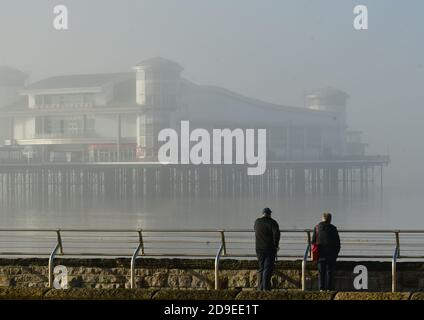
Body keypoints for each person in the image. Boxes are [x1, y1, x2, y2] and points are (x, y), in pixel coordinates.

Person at [311, 212, 341, 291]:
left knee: (321, 273)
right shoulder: (334, 228)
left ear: (322, 218)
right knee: (330, 272)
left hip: (320, 255)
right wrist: (335, 254)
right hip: (331, 255)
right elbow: (338, 243)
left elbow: (313, 241)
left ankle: (321, 289)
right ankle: (329, 289)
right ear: (330, 219)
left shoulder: (316, 227)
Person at [254, 207, 281, 291]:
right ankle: (266, 289)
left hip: (259, 248)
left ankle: (260, 288)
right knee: (267, 268)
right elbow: (276, 234)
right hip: (270, 249)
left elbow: (255, 230)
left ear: (262, 214)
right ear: (269, 214)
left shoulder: (257, 222)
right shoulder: (273, 222)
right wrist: (276, 246)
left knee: (261, 268)